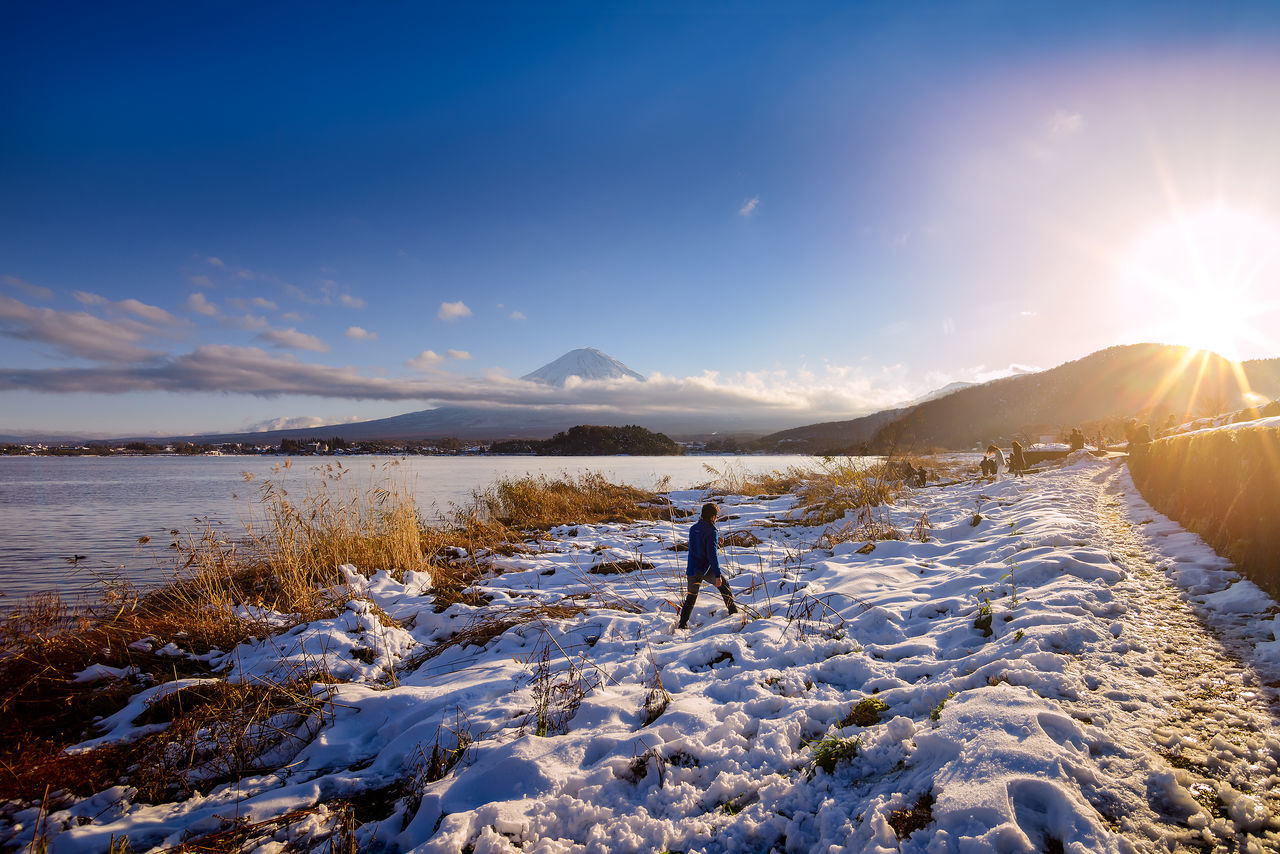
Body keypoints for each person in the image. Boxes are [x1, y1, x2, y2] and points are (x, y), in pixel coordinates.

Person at [677, 502, 738, 629]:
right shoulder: (712, 531)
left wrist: (716, 539)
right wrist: (717, 575)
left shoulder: (693, 529)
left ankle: (682, 624)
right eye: (716, 516)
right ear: (712, 517)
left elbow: (701, 541)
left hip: (692, 568)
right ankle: (734, 615)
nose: (716, 519)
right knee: (725, 586)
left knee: (691, 597)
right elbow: (712, 556)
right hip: (705, 569)